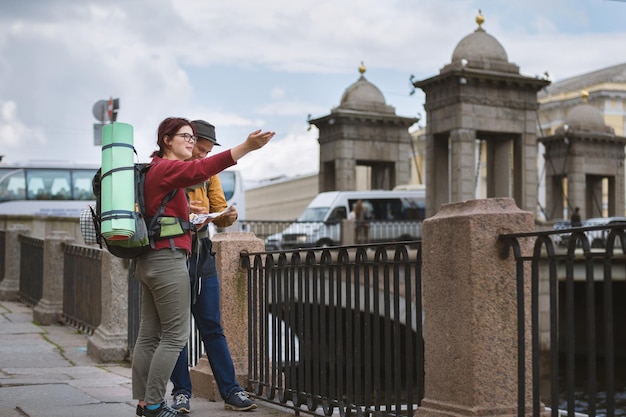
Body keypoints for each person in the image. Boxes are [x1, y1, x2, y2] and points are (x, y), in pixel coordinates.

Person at [132, 117, 274, 417]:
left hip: (150, 259)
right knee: (174, 335)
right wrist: (246, 147)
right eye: (185, 136)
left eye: (192, 137)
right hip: (168, 260)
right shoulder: (169, 169)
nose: (191, 143)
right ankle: (156, 404)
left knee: (149, 336)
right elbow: (201, 169)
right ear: (166, 140)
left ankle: (145, 401)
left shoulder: (151, 170)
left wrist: (201, 215)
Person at [168, 120, 257, 413]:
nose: (202, 158)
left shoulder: (209, 175)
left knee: (212, 326)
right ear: (187, 143)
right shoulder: (168, 169)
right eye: (199, 150)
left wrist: (226, 216)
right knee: (177, 330)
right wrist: (185, 211)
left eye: (206, 152)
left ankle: (231, 391)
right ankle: (181, 393)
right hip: (172, 255)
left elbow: (220, 212)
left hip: (202, 255)